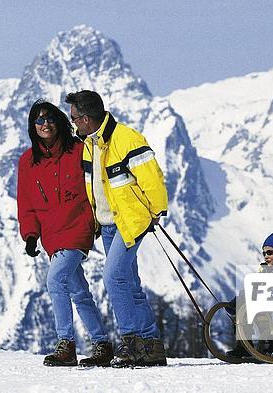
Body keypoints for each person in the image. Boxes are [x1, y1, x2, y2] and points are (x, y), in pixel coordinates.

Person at [65, 90, 168, 367]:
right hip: (109, 225)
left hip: (130, 222)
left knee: (114, 278)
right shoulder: (90, 144)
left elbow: (153, 178)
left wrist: (156, 210)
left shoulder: (127, 139)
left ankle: (132, 342)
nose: (72, 122)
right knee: (131, 285)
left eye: (74, 118)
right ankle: (152, 346)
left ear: (86, 118)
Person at [17, 100, 112, 367]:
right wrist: (31, 235)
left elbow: (98, 183)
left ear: (59, 122)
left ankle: (66, 344)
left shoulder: (78, 150)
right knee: (78, 290)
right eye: (38, 120)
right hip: (51, 235)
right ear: (32, 126)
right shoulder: (27, 161)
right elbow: (26, 204)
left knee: (55, 281)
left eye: (49, 119)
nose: (44, 124)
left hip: (77, 227)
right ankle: (102, 344)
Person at [225, 232, 273, 358]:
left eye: (270, 252)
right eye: (264, 253)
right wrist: (238, 301)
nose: (266, 256)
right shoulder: (265, 270)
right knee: (244, 310)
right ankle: (243, 346)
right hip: (267, 306)